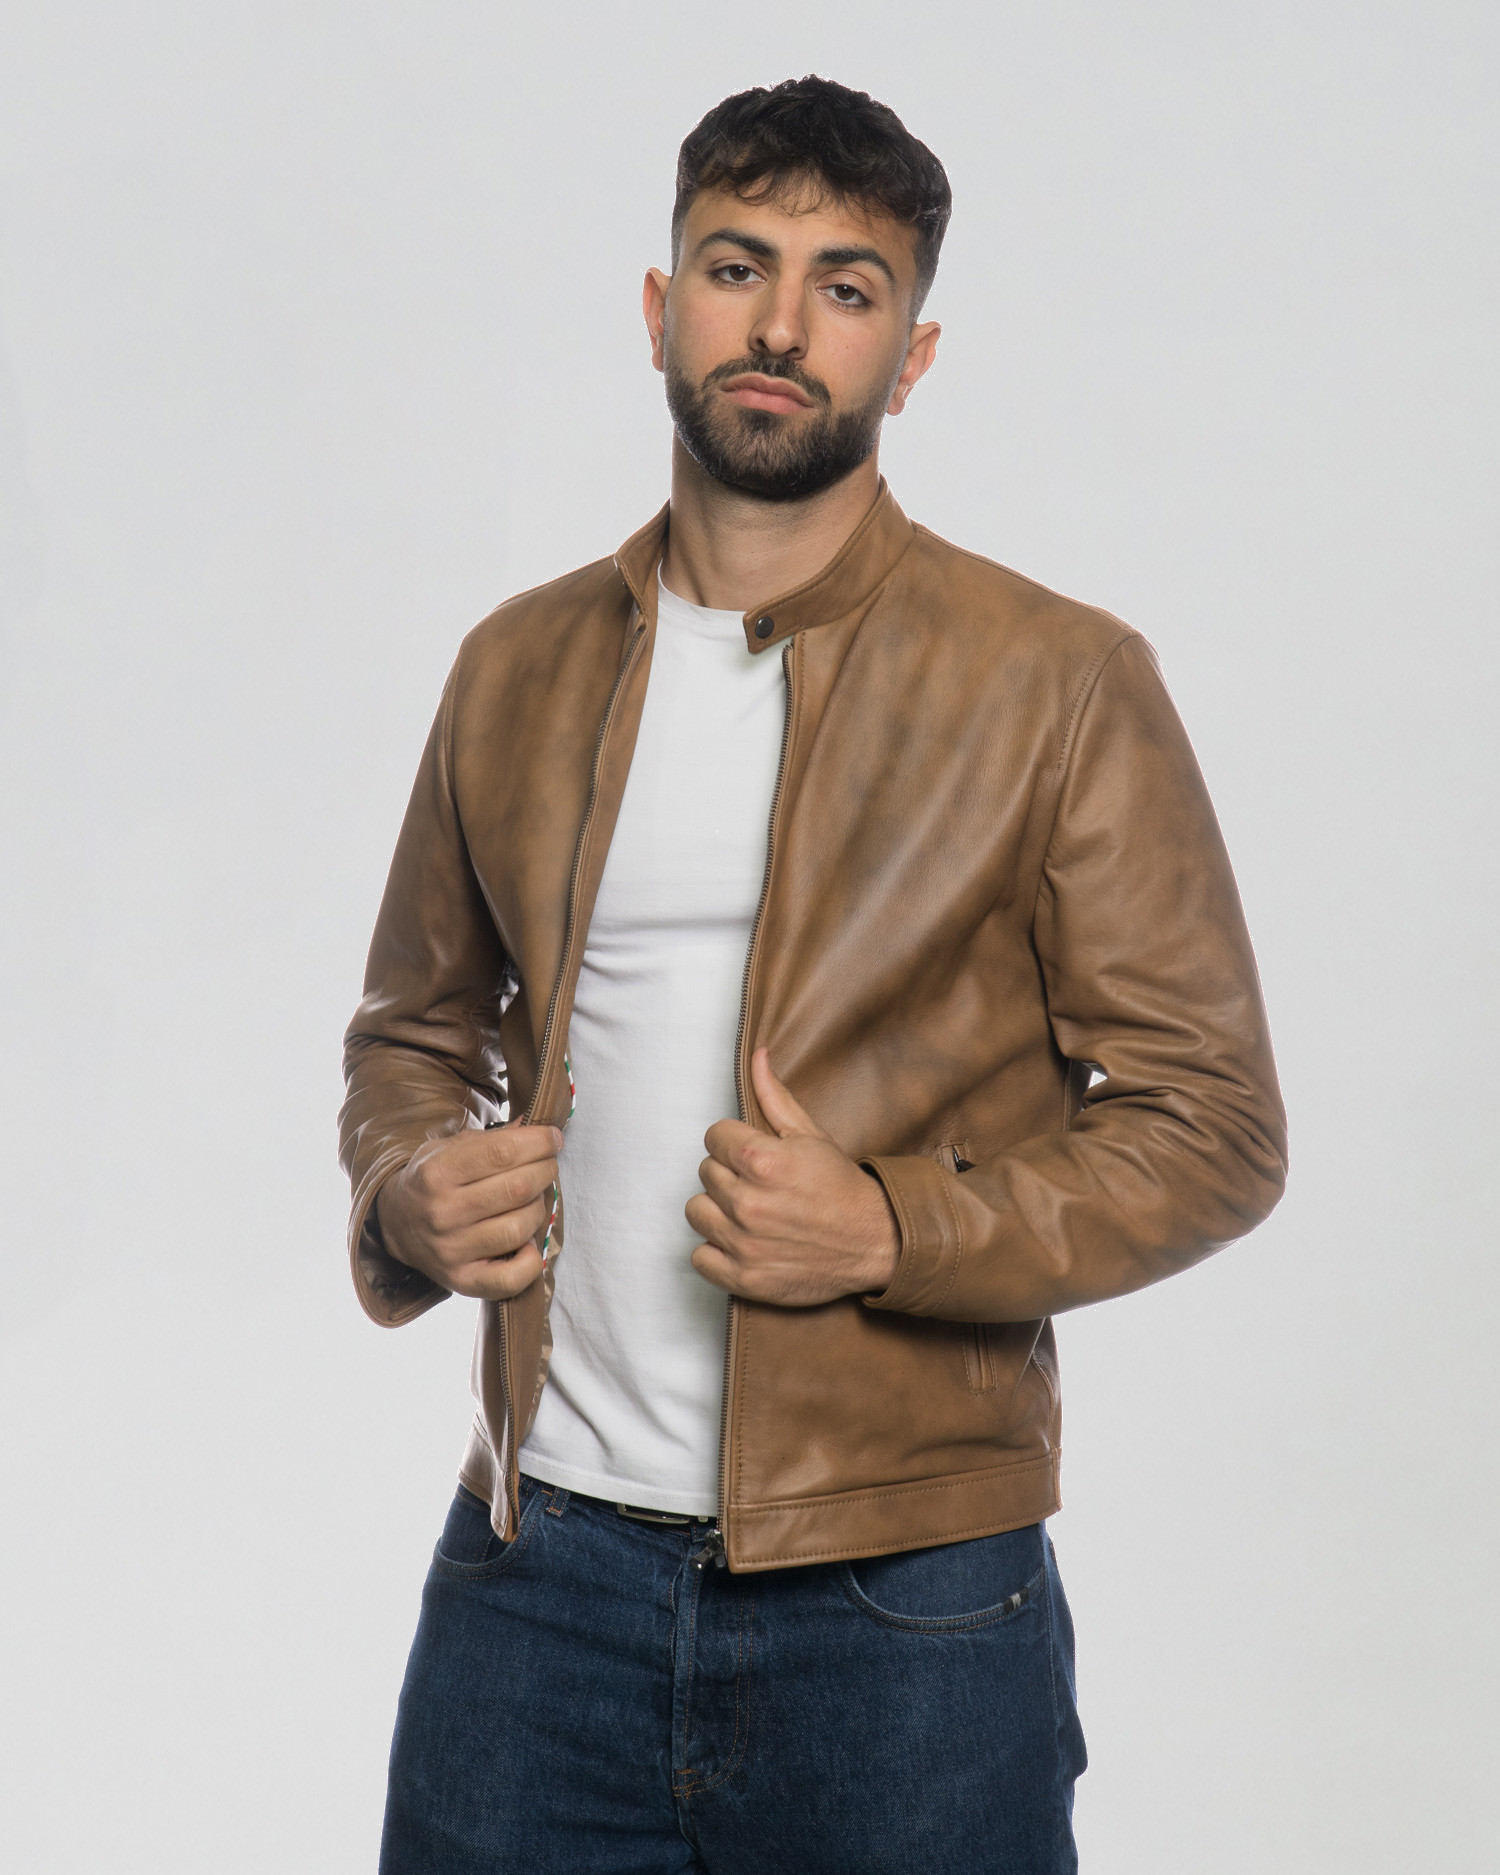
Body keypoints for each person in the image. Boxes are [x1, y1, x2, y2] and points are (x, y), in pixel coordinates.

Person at [339, 73, 1287, 1875]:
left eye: (846, 288)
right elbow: (411, 1034)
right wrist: (406, 1188)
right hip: (536, 1586)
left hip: (909, 1606)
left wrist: (892, 1230)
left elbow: (1214, 1127)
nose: (780, 327)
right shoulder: (515, 665)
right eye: (737, 267)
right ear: (659, 308)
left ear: (910, 357)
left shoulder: (1059, 682)